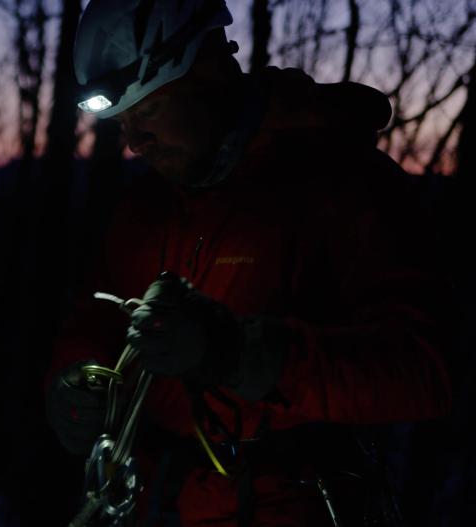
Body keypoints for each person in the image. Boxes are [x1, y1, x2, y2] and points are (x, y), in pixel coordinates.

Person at [44, 0, 456, 525]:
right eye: (122, 121)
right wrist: (71, 383)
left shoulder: (343, 186)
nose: (133, 143)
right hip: (156, 503)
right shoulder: (145, 209)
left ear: (207, 69)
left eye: (146, 112)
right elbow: (93, 319)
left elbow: (426, 371)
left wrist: (244, 354)